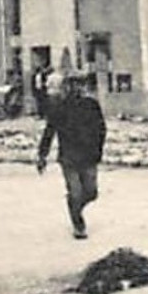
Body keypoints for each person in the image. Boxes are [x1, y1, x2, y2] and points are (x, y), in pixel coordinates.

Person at [36, 76, 107, 240]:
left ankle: (75, 208)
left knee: (91, 192)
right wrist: (42, 156)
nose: (77, 90)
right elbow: (49, 132)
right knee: (75, 192)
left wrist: (98, 149)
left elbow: (101, 129)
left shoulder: (91, 105)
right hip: (69, 157)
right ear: (66, 88)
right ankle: (78, 224)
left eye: (80, 86)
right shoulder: (59, 108)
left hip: (89, 155)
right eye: (72, 86)